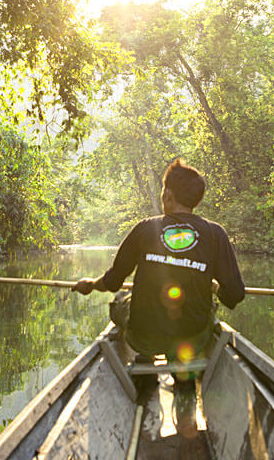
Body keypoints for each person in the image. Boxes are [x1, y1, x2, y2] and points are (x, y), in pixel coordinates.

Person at [72, 158, 245, 369]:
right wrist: (215, 287)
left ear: (168, 195)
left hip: (144, 338)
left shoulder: (145, 228)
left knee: (121, 300)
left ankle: (146, 358)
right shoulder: (215, 233)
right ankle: (182, 367)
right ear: (196, 202)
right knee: (210, 306)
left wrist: (90, 285)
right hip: (193, 337)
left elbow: (113, 281)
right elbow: (235, 295)